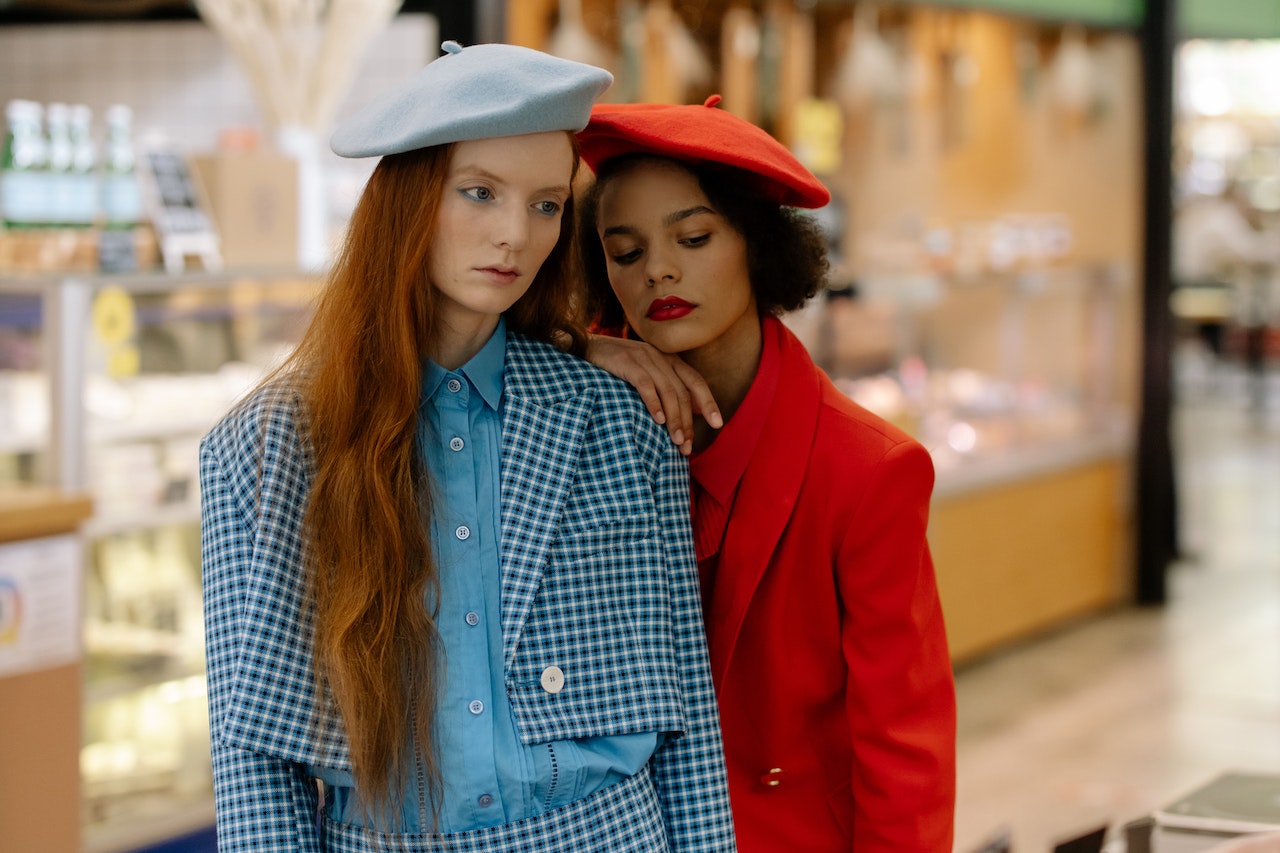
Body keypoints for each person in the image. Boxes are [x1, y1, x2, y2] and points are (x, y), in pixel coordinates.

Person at [199, 43, 736, 852]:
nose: (514, 234)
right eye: (480, 192)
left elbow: (687, 713)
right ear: (411, 199)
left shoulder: (618, 421)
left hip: (609, 831)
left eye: (547, 205)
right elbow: (254, 766)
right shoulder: (267, 444)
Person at [575, 96, 956, 852]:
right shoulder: (580, 420)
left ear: (756, 244)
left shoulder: (866, 470)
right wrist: (580, 348)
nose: (660, 269)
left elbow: (903, 742)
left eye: (694, 235)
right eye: (625, 251)